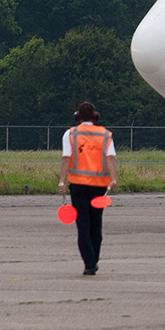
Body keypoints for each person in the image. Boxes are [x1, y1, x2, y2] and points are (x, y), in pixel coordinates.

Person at [58, 101, 115, 275]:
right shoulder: (105, 135)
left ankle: (89, 263)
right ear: (95, 116)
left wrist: (62, 181)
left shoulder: (70, 134)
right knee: (96, 225)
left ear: (78, 117)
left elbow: (66, 158)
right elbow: (110, 158)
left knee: (83, 225)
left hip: (78, 185)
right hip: (99, 187)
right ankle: (94, 259)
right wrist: (113, 179)